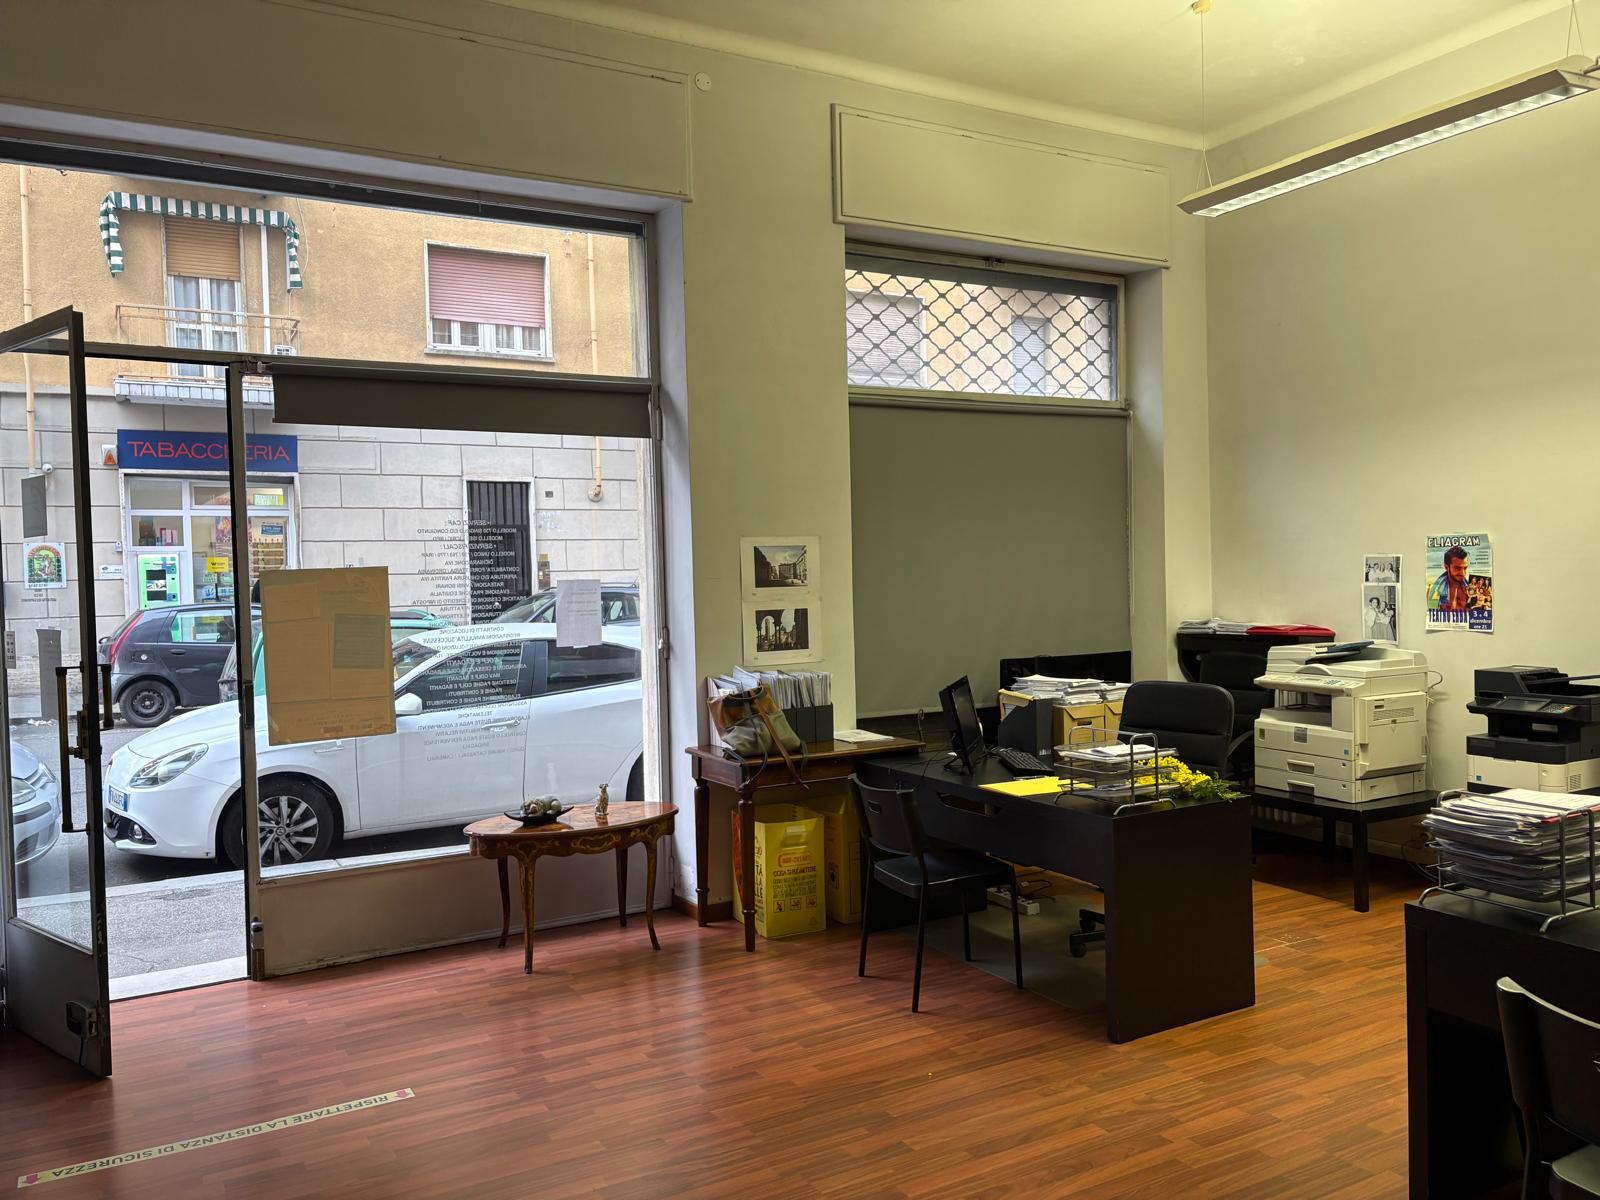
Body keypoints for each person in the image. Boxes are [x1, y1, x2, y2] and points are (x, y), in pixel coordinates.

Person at [1427, 545, 1472, 611]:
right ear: (1446, 567)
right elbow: (1431, 613)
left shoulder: (1469, 588)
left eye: (1465, 568)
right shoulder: (1435, 590)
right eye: (1457, 568)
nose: (1463, 573)